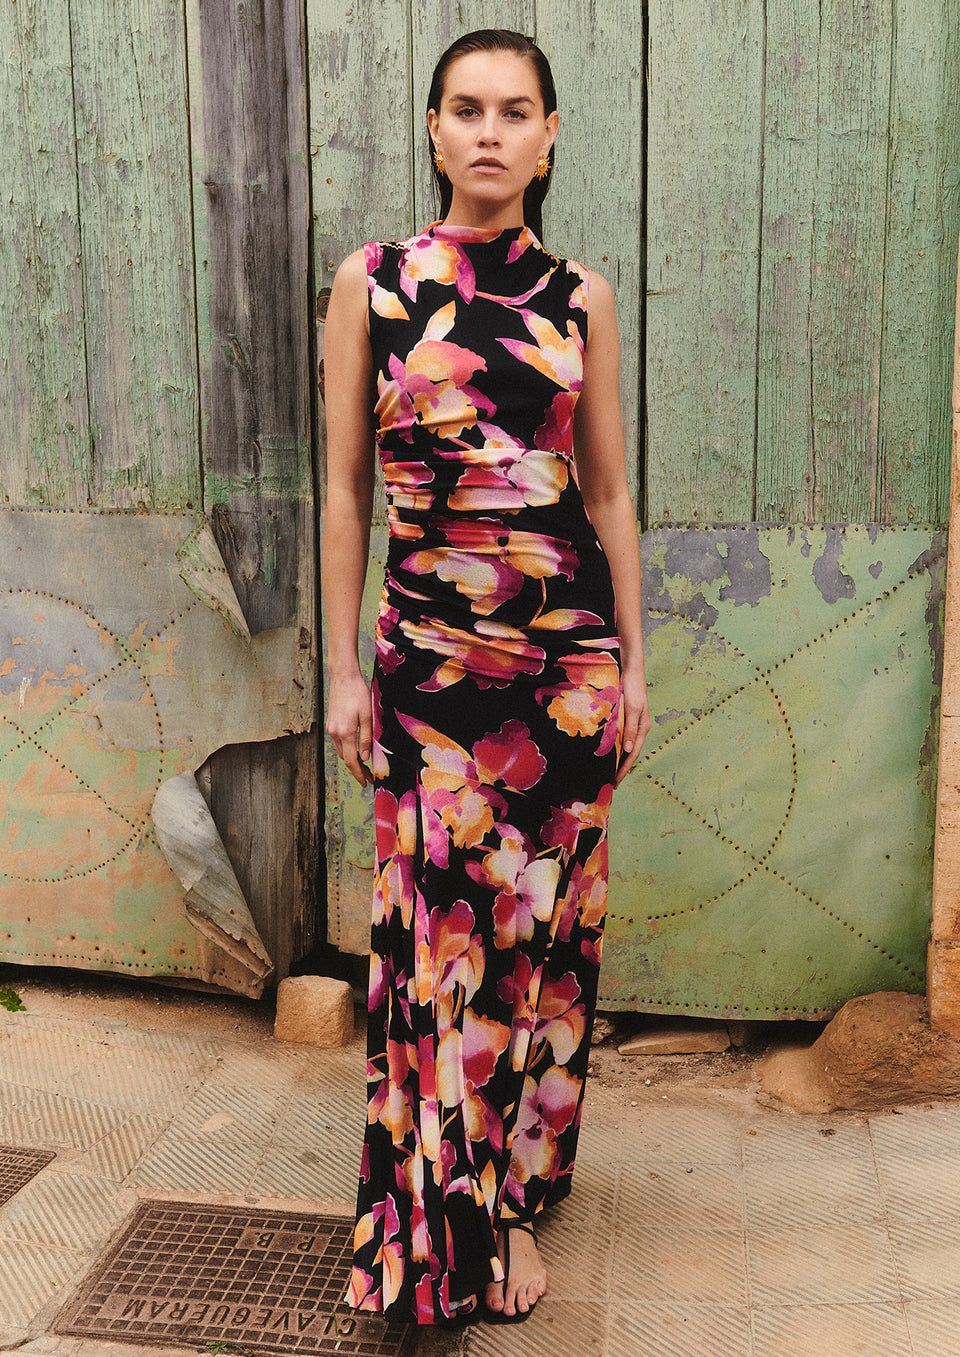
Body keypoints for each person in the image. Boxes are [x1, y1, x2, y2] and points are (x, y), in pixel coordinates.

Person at [322, 27, 650, 1327]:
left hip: (565, 670)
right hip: (429, 675)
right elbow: (345, 491)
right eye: (468, 109)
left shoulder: (582, 298)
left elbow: (608, 492)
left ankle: (507, 1198)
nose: (491, 132)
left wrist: (633, 664)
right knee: (445, 942)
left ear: (551, 137)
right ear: (434, 129)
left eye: (517, 111)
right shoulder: (374, 283)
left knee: (539, 938)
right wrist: (342, 672)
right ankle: (450, 1214)